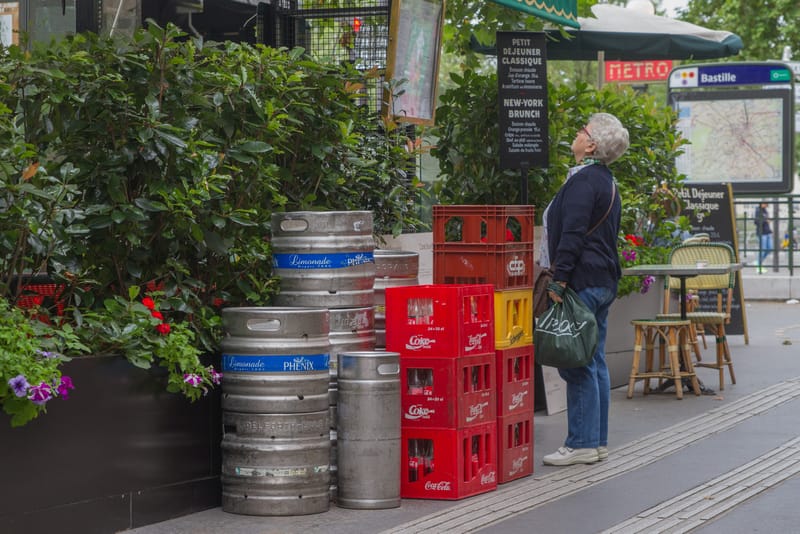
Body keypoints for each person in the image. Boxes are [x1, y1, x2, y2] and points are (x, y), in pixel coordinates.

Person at [539, 113, 629, 466]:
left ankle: (581, 444)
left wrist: (559, 280)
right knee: (594, 359)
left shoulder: (583, 182)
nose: (577, 134)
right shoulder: (605, 181)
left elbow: (573, 232)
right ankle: (597, 440)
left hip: (582, 282)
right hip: (603, 280)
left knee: (577, 363)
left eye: (582, 131)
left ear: (591, 145)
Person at [755, 202, 772, 273]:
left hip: (767, 232)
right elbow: (756, 222)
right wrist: (765, 220)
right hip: (762, 233)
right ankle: (758, 266)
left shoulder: (765, 211)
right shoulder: (758, 210)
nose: (766, 205)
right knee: (763, 249)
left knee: (770, 248)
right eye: (765, 203)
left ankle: (758, 261)